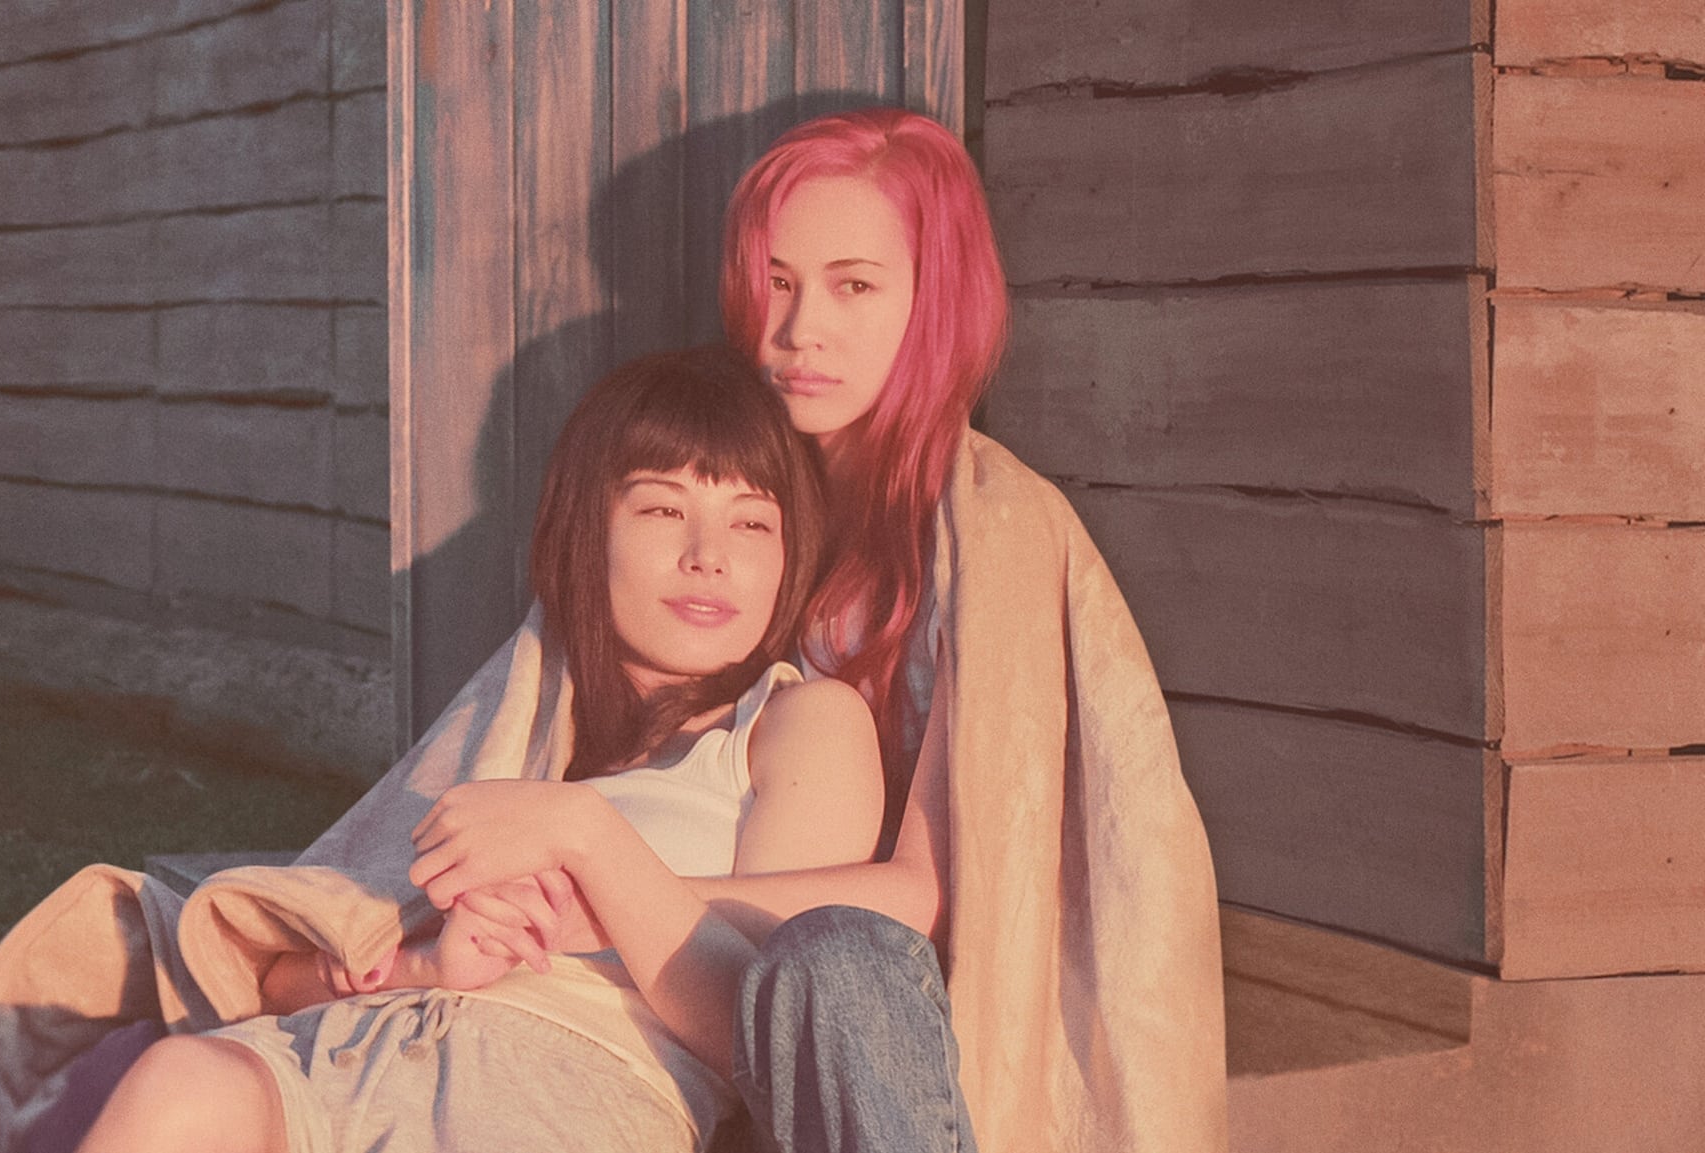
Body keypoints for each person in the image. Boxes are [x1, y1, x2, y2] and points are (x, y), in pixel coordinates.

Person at [406, 107, 1229, 1153]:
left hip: (877, 1005)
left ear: (935, 301)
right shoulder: (734, 491)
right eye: (777, 282)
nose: (800, 330)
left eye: (854, 286)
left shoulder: (991, 531)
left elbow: (926, 898)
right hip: (700, 973)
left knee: (834, 958)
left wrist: (610, 890)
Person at [64, 346, 890, 1153]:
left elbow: (784, 1045)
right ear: (587, 531)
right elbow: (278, 978)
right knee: (179, 1082)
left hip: (562, 1092)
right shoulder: (518, 718)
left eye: (751, 521)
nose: (708, 555)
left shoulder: (798, 722)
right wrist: (430, 961)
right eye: (663, 510)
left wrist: (587, 834)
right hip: (357, 1047)